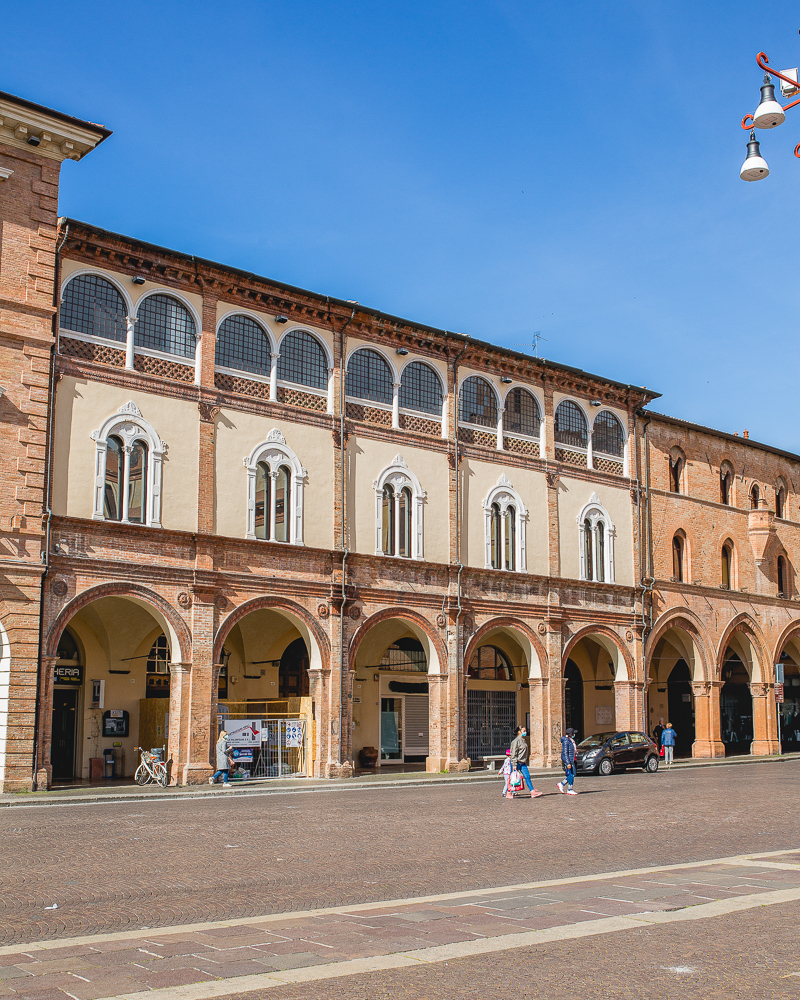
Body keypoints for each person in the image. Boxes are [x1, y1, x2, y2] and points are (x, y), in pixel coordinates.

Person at [509, 725, 543, 799]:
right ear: (519, 732)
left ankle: (532, 791)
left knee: (527, 776)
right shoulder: (515, 741)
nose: (525, 732)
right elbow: (513, 753)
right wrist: (514, 764)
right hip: (517, 762)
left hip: (522, 762)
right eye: (523, 731)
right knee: (513, 778)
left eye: (525, 731)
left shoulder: (523, 740)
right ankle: (509, 792)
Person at [557, 728, 578, 795]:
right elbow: (565, 752)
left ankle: (562, 784)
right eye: (573, 733)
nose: (574, 734)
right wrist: (568, 762)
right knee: (571, 775)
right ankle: (568, 788)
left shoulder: (570, 740)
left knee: (572, 774)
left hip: (571, 759)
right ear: (570, 734)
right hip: (568, 760)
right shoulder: (566, 741)